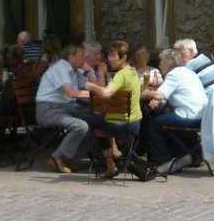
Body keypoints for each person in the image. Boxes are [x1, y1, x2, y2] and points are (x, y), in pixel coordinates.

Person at [142, 48, 207, 174]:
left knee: (154, 123)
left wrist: (146, 93)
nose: (159, 65)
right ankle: (188, 152)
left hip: (189, 116)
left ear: (168, 63)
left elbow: (160, 95)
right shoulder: (188, 72)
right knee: (164, 119)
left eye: (161, 62)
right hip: (201, 115)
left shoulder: (174, 75)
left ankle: (162, 160)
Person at [83, 40, 142, 178]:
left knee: (89, 120)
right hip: (135, 123)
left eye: (113, 56)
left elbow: (106, 93)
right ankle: (113, 152)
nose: (109, 59)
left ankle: (110, 163)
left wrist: (91, 86)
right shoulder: (132, 72)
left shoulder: (121, 75)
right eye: (109, 56)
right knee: (99, 122)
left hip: (121, 125)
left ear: (124, 58)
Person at [35, 43, 96, 174]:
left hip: (66, 107)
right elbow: (71, 93)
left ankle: (69, 156)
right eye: (82, 56)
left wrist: (90, 73)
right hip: (49, 109)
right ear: (71, 57)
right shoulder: (60, 69)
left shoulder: (75, 71)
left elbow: (91, 86)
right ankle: (57, 157)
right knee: (81, 126)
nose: (84, 59)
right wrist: (98, 94)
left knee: (97, 120)